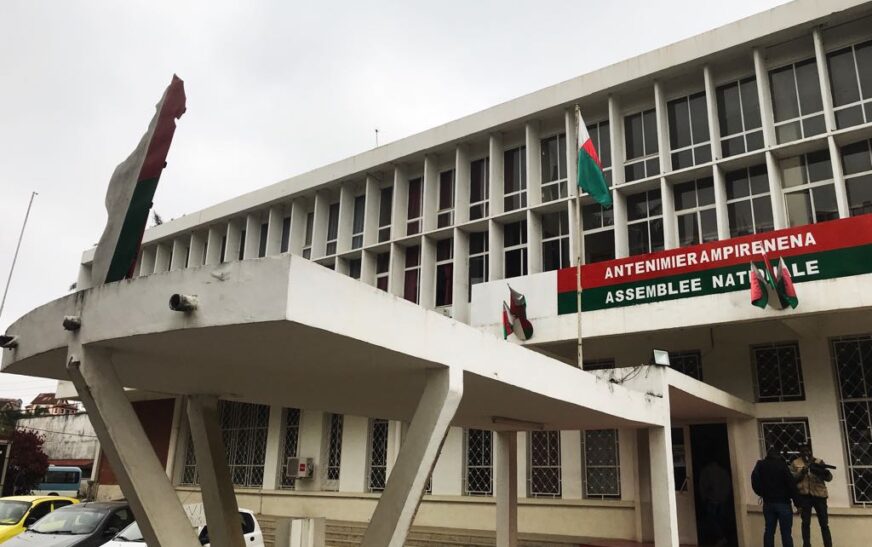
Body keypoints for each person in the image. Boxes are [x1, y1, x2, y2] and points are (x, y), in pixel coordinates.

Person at [752, 446, 799, 547]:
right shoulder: (782, 465)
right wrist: (797, 503)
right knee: (786, 534)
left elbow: (754, 480)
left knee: (769, 531)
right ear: (778, 455)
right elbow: (791, 484)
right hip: (783, 502)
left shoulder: (760, 465)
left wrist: (761, 493)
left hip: (768, 502)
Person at [790, 443, 833, 547]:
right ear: (800, 452)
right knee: (805, 523)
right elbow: (791, 479)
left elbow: (829, 478)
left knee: (824, 524)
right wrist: (802, 473)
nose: (806, 453)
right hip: (804, 496)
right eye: (803, 451)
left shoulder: (818, 461)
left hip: (819, 496)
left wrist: (823, 471)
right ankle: (806, 545)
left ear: (811, 451)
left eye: (807, 450)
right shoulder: (796, 463)